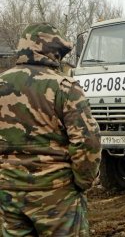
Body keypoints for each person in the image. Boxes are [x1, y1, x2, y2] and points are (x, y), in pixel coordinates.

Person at [0, 23, 101, 236]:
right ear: (54, 51)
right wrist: (82, 182)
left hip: (8, 193)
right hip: (56, 194)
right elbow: (87, 141)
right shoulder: (64, 86)